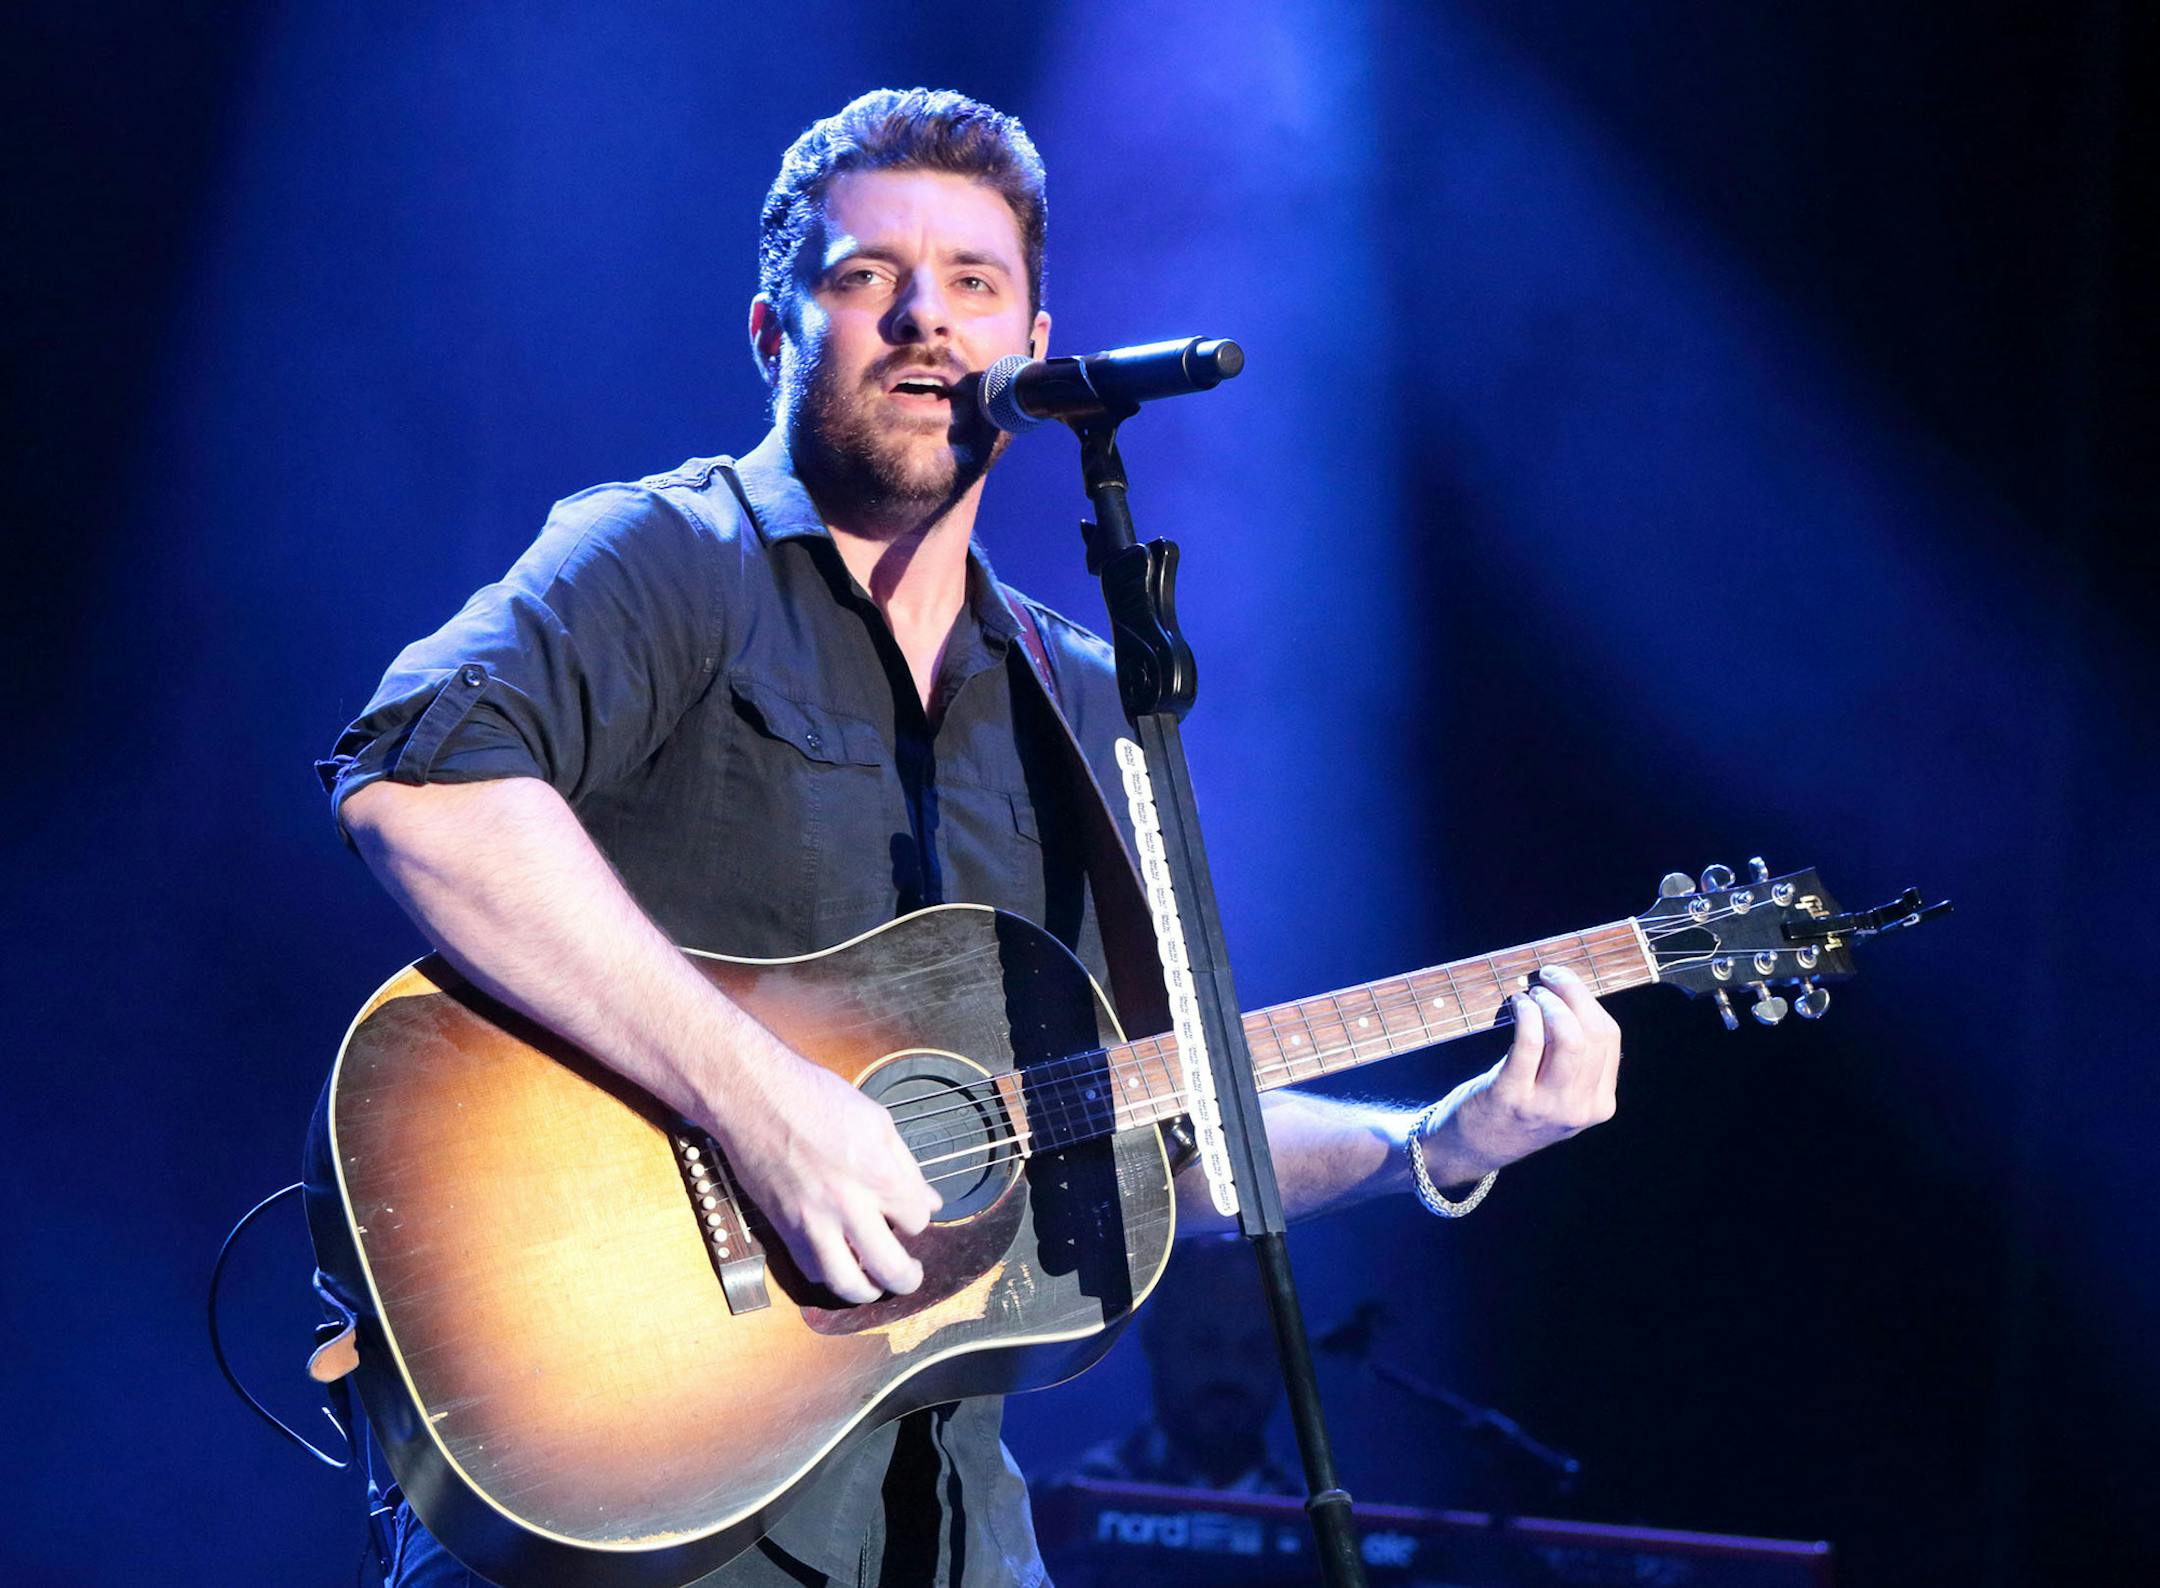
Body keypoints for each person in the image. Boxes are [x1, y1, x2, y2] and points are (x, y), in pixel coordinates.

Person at [312, 87, 1622, 1588]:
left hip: (948, 1527)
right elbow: (413, 782)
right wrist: (764, 1103)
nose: (925, 319)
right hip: (627, 1486)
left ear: (1032, 344)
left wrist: (1440, 1143)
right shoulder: (669, 558)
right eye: (868, 277)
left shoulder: (1091, 702)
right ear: (771, 333)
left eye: (974, 283)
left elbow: (1160, 1146)